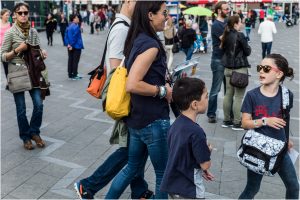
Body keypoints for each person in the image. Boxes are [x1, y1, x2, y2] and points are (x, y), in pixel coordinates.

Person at [73, 2, 153, 199]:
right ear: (126, 2)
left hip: (126, 95)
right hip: (124, 96)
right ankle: (88, 185)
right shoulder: (122, 29)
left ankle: (139, 190)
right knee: (130, 149)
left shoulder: (125, 26)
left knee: (136, 146)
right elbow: (117, 70)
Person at [105, 2, 172, 199]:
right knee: (163, 174)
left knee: (131, 168)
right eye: (164, 13)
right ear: (150, 15)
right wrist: (162, 90)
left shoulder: (138, 39)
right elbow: (132, 84)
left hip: (137, 119)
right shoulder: (150, 45)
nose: (167, 17)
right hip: (153, 120)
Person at [238, 54, 299, 199]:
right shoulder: (252, 95)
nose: (260, 72)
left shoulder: (286, 95)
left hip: (280, 148)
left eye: (266, 69)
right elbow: (245, 123)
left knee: (293, 186)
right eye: (259, 68)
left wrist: (287, 138)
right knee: (252, 188)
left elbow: (286, 119)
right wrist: (265, 121)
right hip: (257, 149)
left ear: (279, 74)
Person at [1, 2, 47, 150]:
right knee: (21, 109)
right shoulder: (10, 33)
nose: (23, 15)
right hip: (17, 72)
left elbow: (37, 49)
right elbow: (2, 56)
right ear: (14, 15)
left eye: (25, 13)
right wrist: (17, 50)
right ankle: (25, 137)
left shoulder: (33, 31)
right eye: (20, 13)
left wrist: (42, 53)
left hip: (33, 72)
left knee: (39, 105)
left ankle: (34, 131)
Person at [160, 77, 214, 199]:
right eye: (206, 96)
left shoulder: (176, 124)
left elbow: (182, 154)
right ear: (195, 104)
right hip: (189, 189)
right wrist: (207, 151)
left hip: (174, 184)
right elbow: (205, 164)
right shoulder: (196, 132)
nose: (207, 99)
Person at [220, 15, 251, 130]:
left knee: (228, 94)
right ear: (235, 24)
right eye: (240, 22)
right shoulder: (240, 35)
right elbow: (247, 51)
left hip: (227, 68)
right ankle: (237, 123)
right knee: (238, 96)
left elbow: (223, 50)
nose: (242, 24)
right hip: (239, 69)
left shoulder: (226, 35)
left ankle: (227, 120)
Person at [207, 1, 229, 123]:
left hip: (228, 60)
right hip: (218, 60)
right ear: (219, 11)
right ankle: (211, 113)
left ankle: (228, 114)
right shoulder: (216, 25)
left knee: (229, 89)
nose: (228, 11)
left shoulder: (227, 22)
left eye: (228, 9)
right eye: (226, 9)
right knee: (216, 88)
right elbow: (225, 39)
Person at [64, 14, 84, 80]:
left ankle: (70, 74)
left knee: (70, 59)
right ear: (73, 19)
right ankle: (74, 74)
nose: (78, 19)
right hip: (76, 46)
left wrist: (68, 44)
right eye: (77, 18)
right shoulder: (76, 26)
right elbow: (74, 37)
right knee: (75, 61)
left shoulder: (68, 26)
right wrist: (71, 45)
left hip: (70, 46)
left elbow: (66, 36)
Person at [1, 8, 11, 84]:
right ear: (1, 15)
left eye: (8, 15)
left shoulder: (11, 24)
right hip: (2, 49)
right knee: (5, 66)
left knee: (11, 65)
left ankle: (11, 80)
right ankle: (8, 82)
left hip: (10, 49)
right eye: (6, 15)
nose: (8, 16)